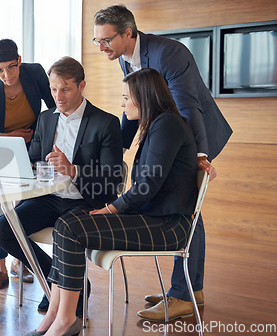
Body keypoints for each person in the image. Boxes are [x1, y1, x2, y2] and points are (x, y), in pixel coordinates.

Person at [26, 68, 199, 336]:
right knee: (66, 223)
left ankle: (65, 320)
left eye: (126, 98)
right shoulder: (159, 124)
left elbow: (146, 186)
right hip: (153, 219)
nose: (122, 104)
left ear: (144, 98)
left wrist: (110, 209)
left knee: (70, 228)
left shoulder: (167, 125)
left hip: (167, 226)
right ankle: (55, 314)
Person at [92, 4, 233, 321]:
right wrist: (114, 150)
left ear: (128, 33)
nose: (101, 47)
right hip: (171, 136)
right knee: (185, 209)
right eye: (96, 41)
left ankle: (183, 295)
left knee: (187, 210)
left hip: (193, 138)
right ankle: (189, 290)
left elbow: (187, 107)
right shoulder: (125, 57)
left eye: (105, 40)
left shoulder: (169, 53)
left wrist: (198, 156)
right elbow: (136, 100)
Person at [0, 56, 123, 317]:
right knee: (2, 229)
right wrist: (13, 163)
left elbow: (112, 178)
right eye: (53, 89)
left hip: (86, 201)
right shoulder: (45, 119)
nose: (58, 96)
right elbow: (34, 158)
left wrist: (72, 169)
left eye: (65, 89)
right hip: (48, 198)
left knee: (64, 231)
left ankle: (63, 292)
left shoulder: (105, 123)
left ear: (81, 86)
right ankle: (59, 281)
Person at [0, 39, 56, 290]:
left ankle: (21, 262)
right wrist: (9, 137)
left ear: (19, 60)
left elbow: (53, 108)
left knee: (25, 204)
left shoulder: (35, 72)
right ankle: (0, 270)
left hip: (33, 143)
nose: (6, 75)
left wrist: (40, 139)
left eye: (11, 67)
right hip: (0, 147)